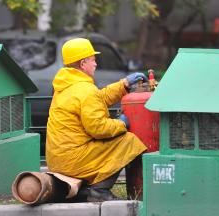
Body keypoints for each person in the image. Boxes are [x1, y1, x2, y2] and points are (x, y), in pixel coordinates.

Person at [45, 37, 147, 202]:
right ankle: (100, 191)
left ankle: (84, 191)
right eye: (93, 60)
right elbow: (98, 129)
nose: (96, 64)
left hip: (58, 160)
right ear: (83, 63)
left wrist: (124, 85)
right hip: (74, 160)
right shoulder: (85, 90)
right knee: (128, 141)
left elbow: (97, 99)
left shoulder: (67, 85)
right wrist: (121, 123)